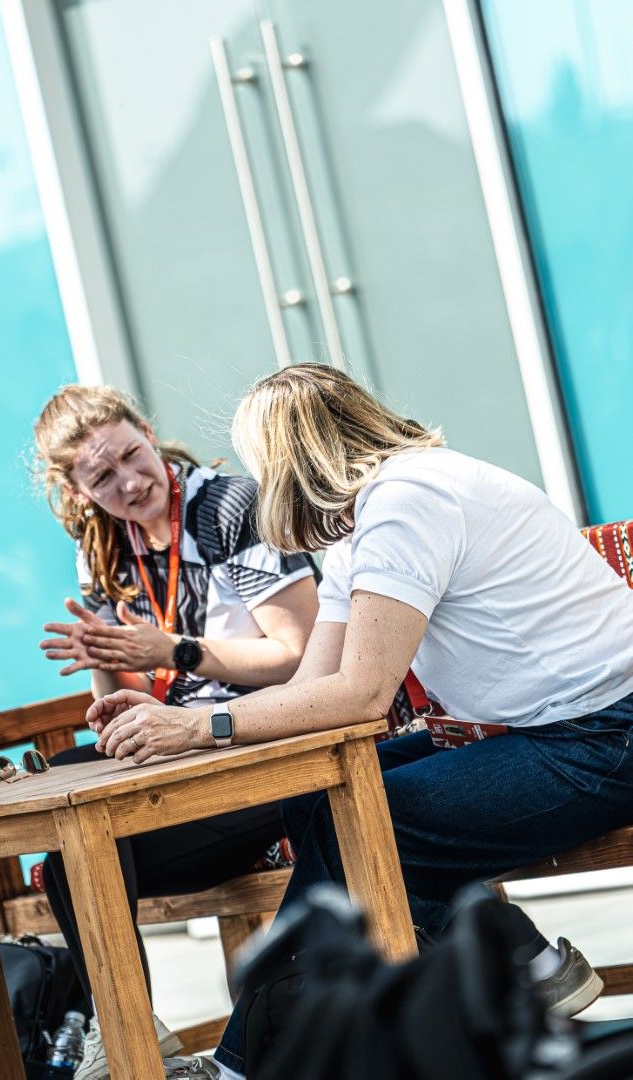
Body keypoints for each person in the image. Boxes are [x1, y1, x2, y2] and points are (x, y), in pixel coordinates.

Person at [88, 364, 633, 1080]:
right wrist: (179, 718)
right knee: (319, 793)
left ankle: (248, 1064)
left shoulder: (409, 501)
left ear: (288, 458)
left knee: (374, 817)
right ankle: (502, 973)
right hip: (555, 732)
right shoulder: (366, 521)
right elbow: (314, 691)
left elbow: (360, 696)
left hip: (604, 735)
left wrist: (198, 727)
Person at [32, 384, 319, 1080]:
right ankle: (125, 1030)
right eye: (102, 478)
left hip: (270, 739)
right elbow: (129, 695)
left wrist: (174, 651)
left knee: (83, 844)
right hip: (186, 753)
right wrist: (107, 673)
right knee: (74, 824)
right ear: (75, 492)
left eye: (132, 455)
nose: (130, 482)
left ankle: (121, 1031)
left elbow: (301, 656)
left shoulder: (230, 506)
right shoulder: (102, 544)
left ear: (148, 430)